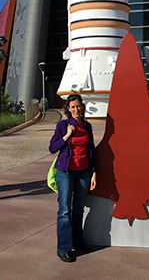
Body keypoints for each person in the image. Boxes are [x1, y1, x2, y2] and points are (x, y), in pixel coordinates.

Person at [49, 94, 97, 263]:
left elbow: (91, 151)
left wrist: (94, 173)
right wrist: (67, 135)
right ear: (68, 109)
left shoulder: (87, 126)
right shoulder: (62, 125)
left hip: (83, 172)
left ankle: (78, 242)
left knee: (78, 210)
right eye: (73, 107)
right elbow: (52, 148)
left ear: (82, 107)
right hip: (66, 172)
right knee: (64, 211)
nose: (76, 109)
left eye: (79, 106)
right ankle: (63, 248)